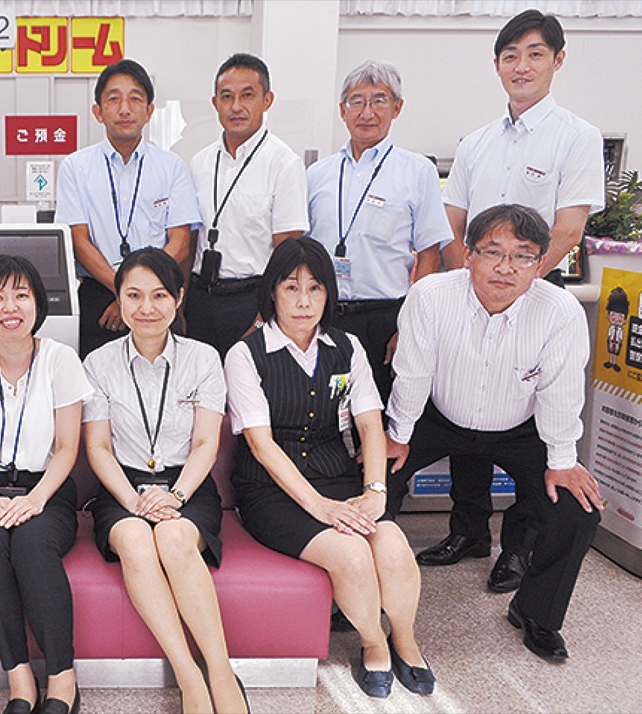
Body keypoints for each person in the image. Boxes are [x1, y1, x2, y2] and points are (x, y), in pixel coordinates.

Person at [425, 10, 605, 593]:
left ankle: (519, 547)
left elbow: (569, 228)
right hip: (471, 293)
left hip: (533, 297)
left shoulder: (576, 137)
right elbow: (452, 222)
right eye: (510, 56)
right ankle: (468, 530)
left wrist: (515, 281)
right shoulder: (476, 143)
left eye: (534, 54)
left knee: (526, 417)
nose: (521, 66)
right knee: (467, 407)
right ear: (497, 65)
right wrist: (469, 282)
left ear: (558, 59)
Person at [385, 204, 603, 660]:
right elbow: (413, 373)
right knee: (373, 478)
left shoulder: (559, 311)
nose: (506, 267)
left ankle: (536, 613)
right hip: (436, 416)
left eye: (523, 255)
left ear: (540, 265)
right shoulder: (430, 295)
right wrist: (397, 434)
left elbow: (561, 392)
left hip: (520, 427)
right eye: (493, 252)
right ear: (468, 255)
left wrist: (563, 462)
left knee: (576, 509)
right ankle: (363, 595)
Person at [225, 237, 434, 698]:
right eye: (291, 287)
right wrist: (320, 507)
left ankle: (405, 640)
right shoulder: (245, 354)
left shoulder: (347, 347)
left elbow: (371, 425)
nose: (303, 301)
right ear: (272, 292)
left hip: (339, 478)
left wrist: (375, 490)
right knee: (352, 554)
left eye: (315, 288)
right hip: (271, 492)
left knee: (394, 549)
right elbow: (260, 444)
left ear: (328, 294)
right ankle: (373, 643)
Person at [83, 248, 248, 713]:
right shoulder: (97, 363)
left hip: (186, 485)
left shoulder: (203, 359)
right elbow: (98, 448)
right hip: (122, 488)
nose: (147, 308)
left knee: (174, 539)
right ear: (118, 300)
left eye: (159, 295)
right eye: (134, 295)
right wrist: (134, 501)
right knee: (137, 541)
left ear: (178, 298)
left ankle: (221, 671)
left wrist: (174, 495)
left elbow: (205, 444)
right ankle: (189, 676)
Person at [0, 255, 92, 714]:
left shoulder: (61, 360)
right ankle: (19, 679)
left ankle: (62, 678)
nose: (10, 307)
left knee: (31, 545)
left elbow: (67, 447)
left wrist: (35, 499)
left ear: (38, 304)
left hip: (46, 488)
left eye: (21, 295)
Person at [305, 60, 452, 402]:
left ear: (397, 108)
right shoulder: (318, 174)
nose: (367, 112)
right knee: (323, 409)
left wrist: (408, 328)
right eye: (357, 101)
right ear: (342, 110)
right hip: (325, 314)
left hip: (386, 319)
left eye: (379, 100)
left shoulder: (418, 171)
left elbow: (430, 256)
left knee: (380, 410)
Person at [56, 58, 200, 357]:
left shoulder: (172, 166)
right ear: (98, 112)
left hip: (158, 295)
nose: (124, 109)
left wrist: (140, 293)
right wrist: (124, 292)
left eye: (135, 99)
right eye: (113, 99)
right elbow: (78, 242)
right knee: (97, 377)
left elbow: (181, 242)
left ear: (149, 111)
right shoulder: (75, 167)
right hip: (99, 295)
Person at [187, 53, 307, 358]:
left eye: (247, 95)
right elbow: (191, 240)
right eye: (227, 96)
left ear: (267, 100)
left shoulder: (284, 164)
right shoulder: (200, 163)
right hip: (200, 298)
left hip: (251, 300)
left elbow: (288, 252)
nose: (236, 106)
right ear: (215, 103)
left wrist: (264, 315)